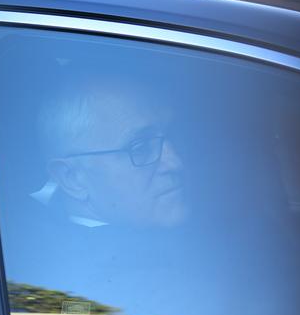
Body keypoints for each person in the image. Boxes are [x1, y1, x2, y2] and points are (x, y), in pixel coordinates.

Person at [31, 75, 189, 229]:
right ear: (72, 178)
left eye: (171, 135)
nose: (175, 163)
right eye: (140, 148)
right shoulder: (142, 253)